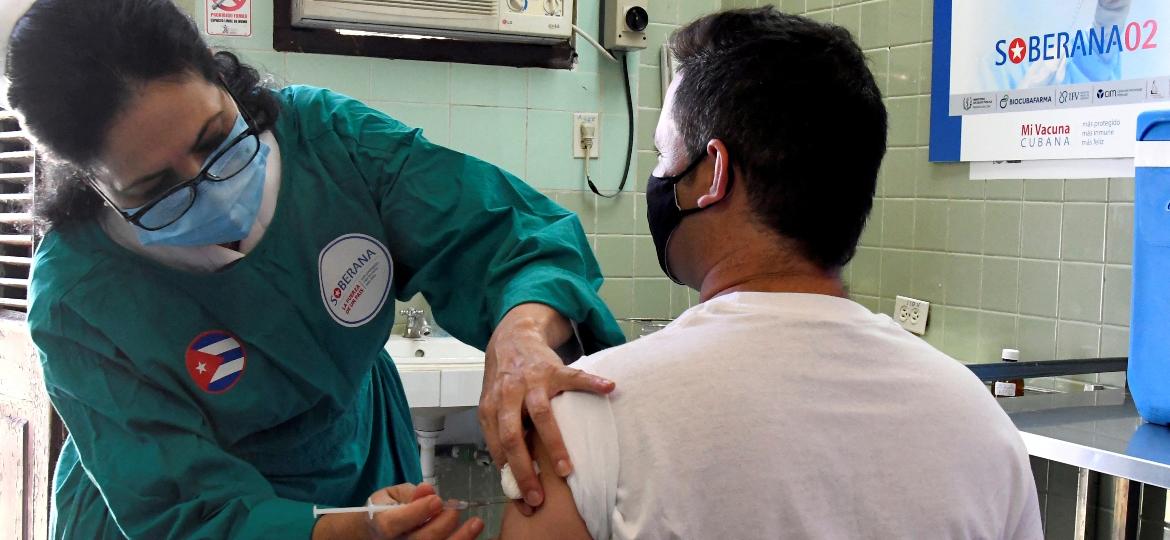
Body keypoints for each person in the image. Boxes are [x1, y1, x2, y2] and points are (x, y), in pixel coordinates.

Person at [5, 0, 625, 538]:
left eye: (216, 136)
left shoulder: (332, 142)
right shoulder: (79, 297)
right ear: (92, 184)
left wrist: (521, 333)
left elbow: (508, 235)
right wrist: (347, 529)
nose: (210, 187)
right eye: (156, 188)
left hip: (357, 450)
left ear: (221, 76)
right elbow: (176, 507)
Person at [498, 8, 1043, 539]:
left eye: (665, 154)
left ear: (713, 174)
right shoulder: (979, 422)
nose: (659, 177)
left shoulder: (590, 423)